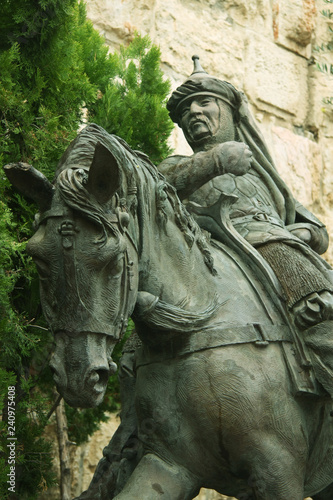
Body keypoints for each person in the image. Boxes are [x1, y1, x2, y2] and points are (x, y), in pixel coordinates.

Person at [159, 55, 333, 331]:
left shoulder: (263, 175)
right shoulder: (176, 165)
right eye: (185, 111)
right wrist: (216, 160)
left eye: (204, 102)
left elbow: (318, 231)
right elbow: (160, 188)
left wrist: (303, 233)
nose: (193, 112)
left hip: (277, 244)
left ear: (229, 113)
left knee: (319, 307)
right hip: (209, 251)